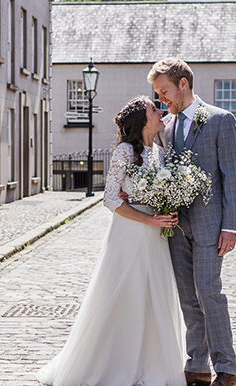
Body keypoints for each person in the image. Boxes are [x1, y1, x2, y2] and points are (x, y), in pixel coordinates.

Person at [36, 96, 186, 386]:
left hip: (155, 236)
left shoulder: (158, 151)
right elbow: (110, 199)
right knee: (125, 295)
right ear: (143, 120)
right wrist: (150, 220)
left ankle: (150, 364)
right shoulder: (125, 152)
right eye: (154, 109)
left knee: (155, 296)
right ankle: (113, 364)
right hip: (129, 233)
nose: (161, 111)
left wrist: (167, 209)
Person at [149, 57, 236, 386]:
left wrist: (231, 226)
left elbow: (232, 177)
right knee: (188, 298)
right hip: (176, 227)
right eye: (158, 93)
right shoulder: (168, 126)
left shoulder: (220, 120)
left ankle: (227, 369)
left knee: (209, 293)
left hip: (211, 225)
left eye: (164, 91)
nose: (161, 98)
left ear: (183, 84)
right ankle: (197, 366)